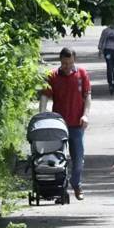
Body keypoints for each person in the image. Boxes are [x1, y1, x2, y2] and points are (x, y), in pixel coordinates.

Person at [39, 47, 91, 200]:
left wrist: (85, 115)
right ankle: (59, 188)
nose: (67, 66)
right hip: (58, 125)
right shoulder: (53, 76)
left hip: (76, 123)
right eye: (64, 63)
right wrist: (42, 115)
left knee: (78, 158)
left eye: (69, 63)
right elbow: (44, 97)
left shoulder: (82, 74)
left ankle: (77, 184)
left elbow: (87, 97)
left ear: (74, 60)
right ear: (60, 61)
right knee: (57, 158)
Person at [97, 19, 114, 90]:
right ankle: (110, 83)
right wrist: (100, 50)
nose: (113, 23)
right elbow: (102, 40)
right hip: (108, 50)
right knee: (109, 67)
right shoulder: (105, 31)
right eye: (112, 22)